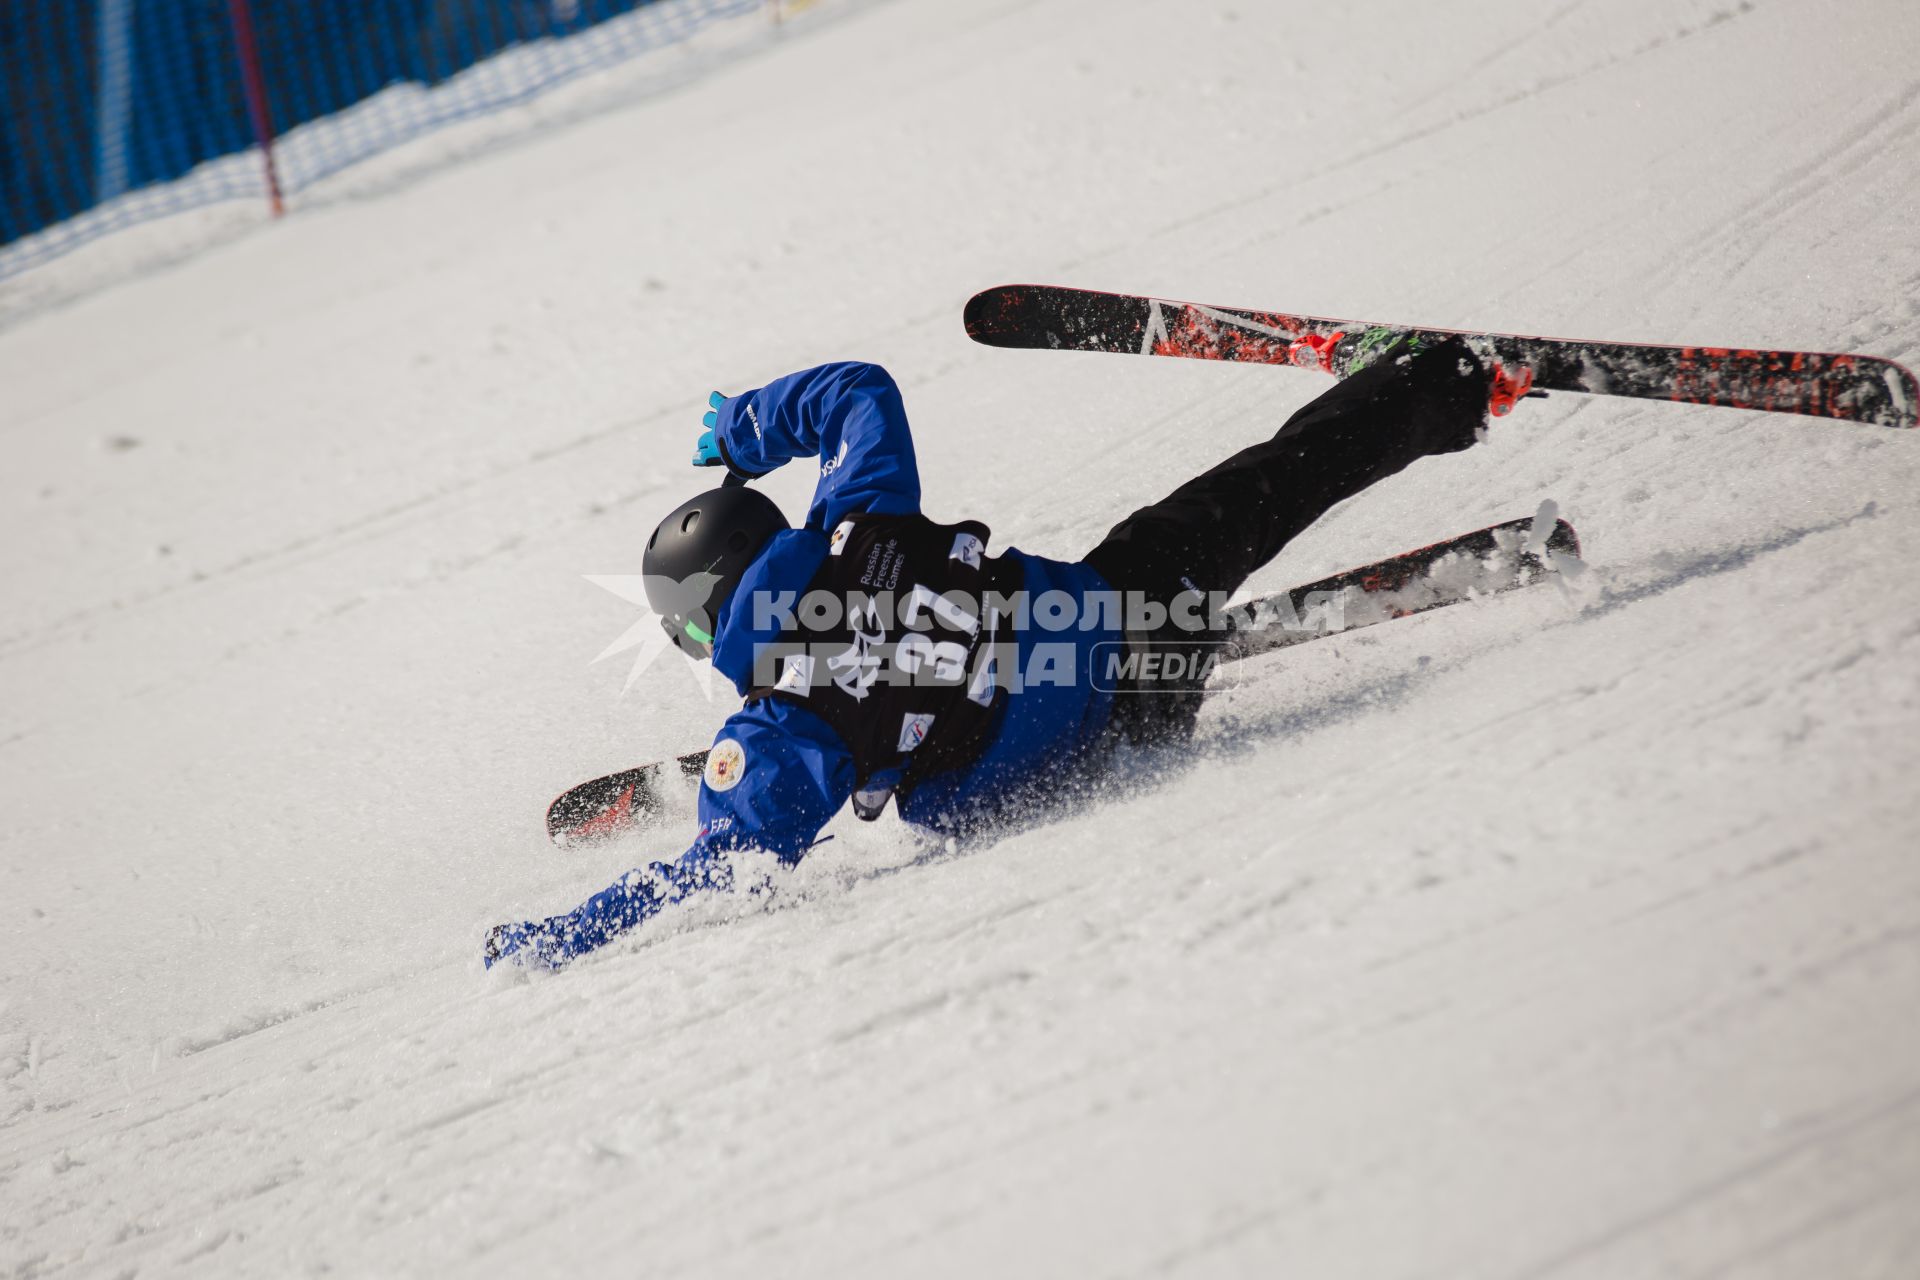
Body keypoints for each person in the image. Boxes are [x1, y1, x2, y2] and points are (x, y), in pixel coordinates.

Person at [485, 335, 1530, 968]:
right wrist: (746, 427)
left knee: (861, 750)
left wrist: (565, 933)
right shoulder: (863, 517)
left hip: (1074, 762)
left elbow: (727, 870)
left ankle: (887, 747)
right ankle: (1444, 385)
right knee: (1261, 488)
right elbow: (862, 390)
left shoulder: (777, 728)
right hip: (1126, 628)